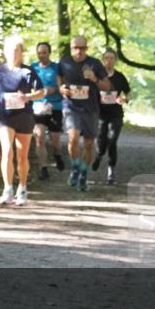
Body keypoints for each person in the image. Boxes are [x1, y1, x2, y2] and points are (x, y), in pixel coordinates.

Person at [0, 35, 45, 206]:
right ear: (5, 52)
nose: (13, 53)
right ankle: (7, 189)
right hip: (5, 117)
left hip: (24, 117)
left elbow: (41, 92)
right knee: (6, 151)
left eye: (17, 50)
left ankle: (23, 188)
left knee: (22, 156)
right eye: (10, 50)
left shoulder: (27, 71)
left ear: (21, 52)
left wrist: (28, 96)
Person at [57, 35, 111, 192]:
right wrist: (61, 88)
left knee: (88, 144)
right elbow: (59, 76)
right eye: (75, 47)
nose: (79, 51)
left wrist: (94, 79)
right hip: (71, 107)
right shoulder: (64, 62)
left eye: (82, 48)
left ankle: (83, 175)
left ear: (86, 48)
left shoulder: (94, 63)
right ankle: (75, 168)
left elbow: (107, 86)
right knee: (73, 138)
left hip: (91, 109)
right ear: (71, 48)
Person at [92, 49, 130, 185]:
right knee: (102, 142)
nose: (109, 61)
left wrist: (124, 99)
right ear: (103, 60)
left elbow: (128, 92)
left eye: (112, 58)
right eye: (106, 58)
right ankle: (99, 155)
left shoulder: (120, 76)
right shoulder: (97, 77)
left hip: (116, 114)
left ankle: (111, 172)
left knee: (112, 141)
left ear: (115, 60)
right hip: (101, 114)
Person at [30, 41, 65, 180]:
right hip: (38, 107)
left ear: (49, 53)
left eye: (44, 52)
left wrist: (54, 90)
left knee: (54, 140)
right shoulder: (33, 68)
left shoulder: (56, 68)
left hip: (55, 106)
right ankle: (43, 168)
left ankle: (57, 155)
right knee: (39, 137)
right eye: (39, 53)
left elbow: (62, 88)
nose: (42, 55)